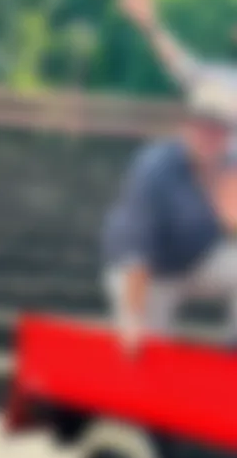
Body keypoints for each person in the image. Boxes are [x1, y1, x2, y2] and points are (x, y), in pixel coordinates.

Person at [101, 79, 237, 354]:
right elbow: (137, 251)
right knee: (148, 354)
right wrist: (132, 319)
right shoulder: (155, 169)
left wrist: (230, 217)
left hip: (193, 260)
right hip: (143, 275)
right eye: (203, 126)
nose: (210, 136)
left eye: (219, 129)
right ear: (187, 127)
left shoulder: (230, 168)